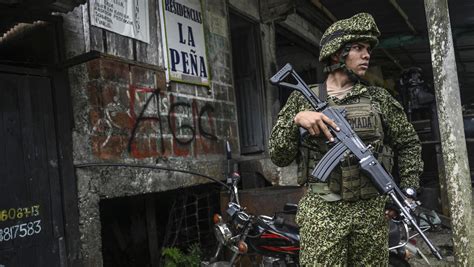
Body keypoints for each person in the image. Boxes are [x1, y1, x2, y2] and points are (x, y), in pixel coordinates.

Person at [269, 13, 423, 266]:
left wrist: (406, 192)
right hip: (322, 212)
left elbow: (408, 143)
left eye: (368, 49)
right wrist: (296, 120)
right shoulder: (302, 99)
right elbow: (279, 155)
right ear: (335, 54)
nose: (366, 55)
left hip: (371, 213)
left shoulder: (379, 99)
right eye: (358, 48)